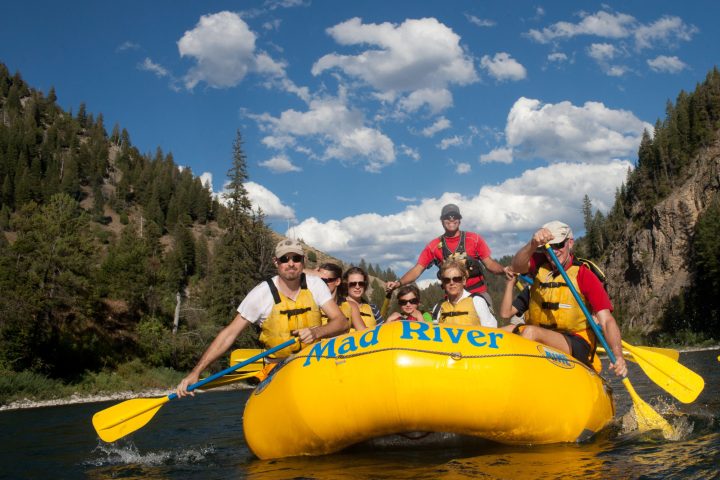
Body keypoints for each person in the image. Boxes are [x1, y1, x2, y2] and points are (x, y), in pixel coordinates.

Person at [176, 239, 350, 397]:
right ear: (276, 262)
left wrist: (317, 332)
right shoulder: (261, 294)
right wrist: (196, 372)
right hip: (278, 368)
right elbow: (229, 334)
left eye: (296, 258)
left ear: (303, 261)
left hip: (314, 363)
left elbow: (341, 322)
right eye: (284, 259)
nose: (291, 264)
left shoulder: (315, 285)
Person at [508, 220, 627, 376]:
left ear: (570, 243)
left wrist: (618, 356)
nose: (553, 252)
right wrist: (532, 245)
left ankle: (520, 380)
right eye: (547, 247)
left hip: (577, 341)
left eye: (558, 245)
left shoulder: (584, 275)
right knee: (499, 332)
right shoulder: (539, 264)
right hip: (542, 332)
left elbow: (606, 320)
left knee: (530, 332)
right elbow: (516, 266)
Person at [387, 203, 511, 309]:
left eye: (455, 216)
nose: (451, 219)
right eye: (447, 217)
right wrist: (398, 283)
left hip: (478, 294)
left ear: (459, 220)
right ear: (442, 220)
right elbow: (417, 269)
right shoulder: (434, 246)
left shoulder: (474, 239)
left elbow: (489, 263)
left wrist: (503, 270)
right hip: (452, 299)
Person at [432, 259, 498, 327]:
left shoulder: (477, 301)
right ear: (443, 283)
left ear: (464, 281)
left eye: (456, 279)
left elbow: (491, 329)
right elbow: (434, 333)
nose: (452, 283)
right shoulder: (437, 308)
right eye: (447, 280)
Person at [316, 262, 366, 331]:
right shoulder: (311, 304)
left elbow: (364, 333)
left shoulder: (351, 306)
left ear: (337, 281)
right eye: (318, 280)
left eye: (325, 280)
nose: (321, 283)